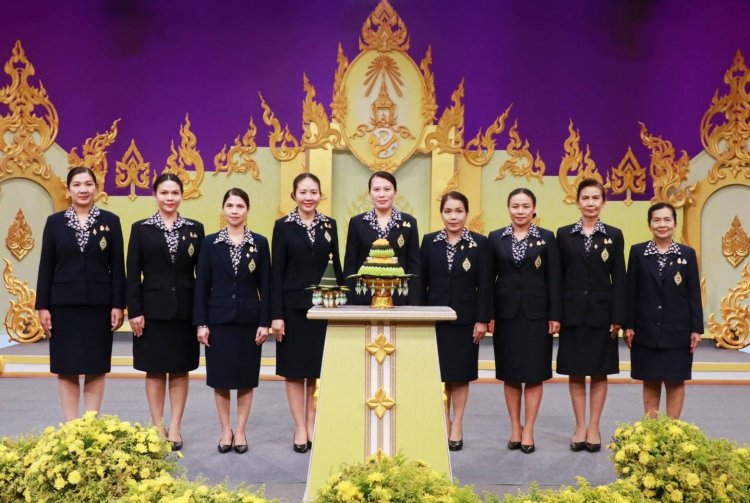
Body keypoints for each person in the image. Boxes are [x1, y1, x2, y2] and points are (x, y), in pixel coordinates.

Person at [36, 166, 126, 421]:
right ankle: (71, 424)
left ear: (96, 189)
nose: (83, 189)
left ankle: (89, 424)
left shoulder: (110, 221)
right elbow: (46, 266)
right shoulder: (55, 223)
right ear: (69, 190)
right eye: (77, 185)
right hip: (63, 306)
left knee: (96, 366)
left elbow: (118, 266)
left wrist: (118, 304)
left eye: (88, 184)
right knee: (67, 367)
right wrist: (43, 306)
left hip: (99, 305)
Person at [126, 173, 204, 451]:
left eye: (174, 193)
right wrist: (134, 311)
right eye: (164, 193)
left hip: (185, 311)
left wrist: (201, 316)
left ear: (182, 195)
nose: (169, 198)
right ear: (155, 195)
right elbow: (132, 274)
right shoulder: (141, 229)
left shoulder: (195, 229)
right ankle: (157, 427)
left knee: (181, 370)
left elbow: (202, 276)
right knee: (155, 371)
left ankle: (176, 427)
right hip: (151, 311)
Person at [194, 188, 270, 454]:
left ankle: (241, 431)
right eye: (230, 206)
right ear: (223, 210)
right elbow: (201, 285)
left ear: (247, 210)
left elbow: (266, 286)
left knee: (246, 379)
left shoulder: (259, 243)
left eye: (239, 206)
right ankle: (225, 430)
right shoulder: (210, 243)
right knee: (221, 379)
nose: (235, 211)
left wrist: (265, 322)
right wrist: (201, 323)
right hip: (218, 321)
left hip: (250, 321)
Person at [271, 173, 343, 453]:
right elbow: (276, 273)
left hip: (324, 307)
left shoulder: (330, 225)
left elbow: (335, 267)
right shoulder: (283, 226)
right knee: (293, 371)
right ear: (294, 195)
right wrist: (276, 315)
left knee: (316, 369)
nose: (308, 197)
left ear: (320, 195)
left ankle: (312, 422)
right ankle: (299, 426)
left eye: (313, 191)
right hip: (292, 309)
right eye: (303, 192)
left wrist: (340, 305)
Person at [488, 187, 561, 454]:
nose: (520, 211)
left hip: (537, 316)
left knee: (533, 375)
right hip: (506, 315)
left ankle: (529, 429)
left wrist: (555, 315)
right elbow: (488, 280)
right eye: (515, 206)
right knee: (509, 374)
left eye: (525, 206)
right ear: (508, 209)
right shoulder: (496, 238)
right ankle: (515, 427)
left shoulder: (546, 238)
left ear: (534, 209)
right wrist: (489, 315)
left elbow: (554, 279)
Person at [556, 178, 626, 453]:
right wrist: (557, 314)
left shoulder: (614, 235)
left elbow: (619, 278)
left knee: (599, 373)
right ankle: (580, 426)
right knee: (575, 373)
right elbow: (557, 278)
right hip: (572, 313)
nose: (590, 203)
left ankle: (595, 426)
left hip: (602, 313)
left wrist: (618, 317)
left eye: (596, 198)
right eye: (585, 198)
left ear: (603, 202)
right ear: (577, 202)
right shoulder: (563, 235)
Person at [420, 191, 492, 452]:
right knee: (438, 376)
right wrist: (419, 317)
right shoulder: (429, 242)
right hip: (434, 319)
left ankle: (458, 424)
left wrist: (482, 319)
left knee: (460, 376)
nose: (453, 216)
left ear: (466, 213)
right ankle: (442, 422)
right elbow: (421, 282)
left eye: (458, 211)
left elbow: (485, 285)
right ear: (442, 213)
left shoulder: (480, 244)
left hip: (466, 320)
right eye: (448, 211)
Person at [624, 202, 702, 419]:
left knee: (676, 380)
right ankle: (653, 431)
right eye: (657, 220)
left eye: (667, 220)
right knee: (650, 378)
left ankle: (672, 431)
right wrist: (628, 325)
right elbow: (631, 291)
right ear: (649, 224)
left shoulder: (687, 254)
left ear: (675, 224)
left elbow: (694, 293)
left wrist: (697, 328)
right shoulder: (638, 252)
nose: (662, 224)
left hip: (678, 329)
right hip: (645, 328)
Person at [343, 171, 420, 305]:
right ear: (369, 194)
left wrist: (414, 304)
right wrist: (349, 303)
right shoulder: (357, 222)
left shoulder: (409, 222)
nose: (382, 194)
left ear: (395, 193)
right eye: (376, 189)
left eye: (387, 189)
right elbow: (350, 265)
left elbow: (414, 267)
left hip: (399, 298)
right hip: (364, 298)